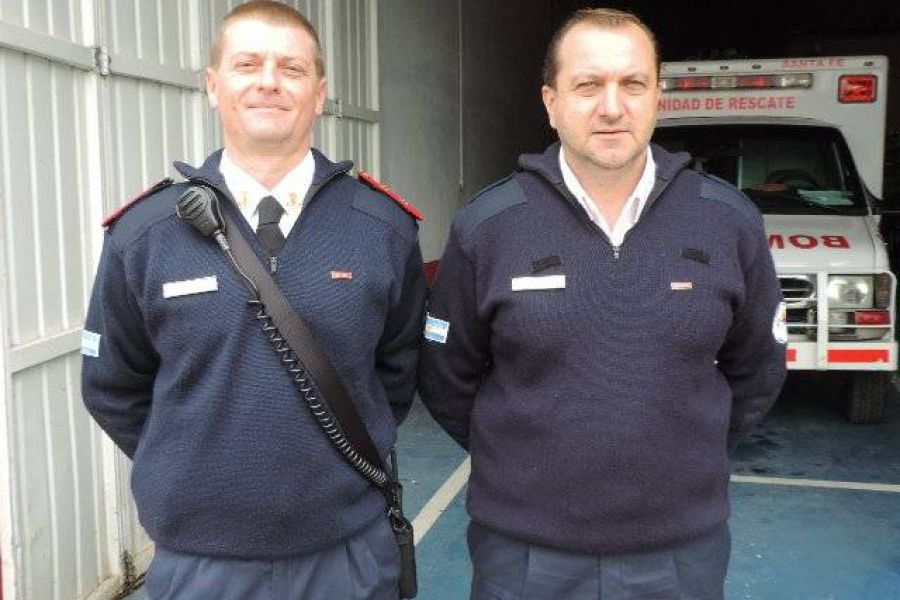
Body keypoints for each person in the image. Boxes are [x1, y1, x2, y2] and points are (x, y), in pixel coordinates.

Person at [419, 8, 786, 600]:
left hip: (680, 553)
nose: (611, 106)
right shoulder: (488, 227)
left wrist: (682, 455)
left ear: (657, 96)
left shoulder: (728, 220)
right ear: (550, 101)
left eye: (632, 84)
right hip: (523, 553)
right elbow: (446, 378)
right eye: (588, 85)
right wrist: (524, 462)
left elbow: (757, 369)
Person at [81, 2, 425, 599]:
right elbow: (113, 384)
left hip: (346, 552)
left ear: (319, 94)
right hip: (200, 563)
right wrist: (194, 462)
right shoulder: (144, 232)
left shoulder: (384, 226)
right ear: (214, 86)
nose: (268, 80)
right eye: (248, 64)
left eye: (291, 68)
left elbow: (397, 375)